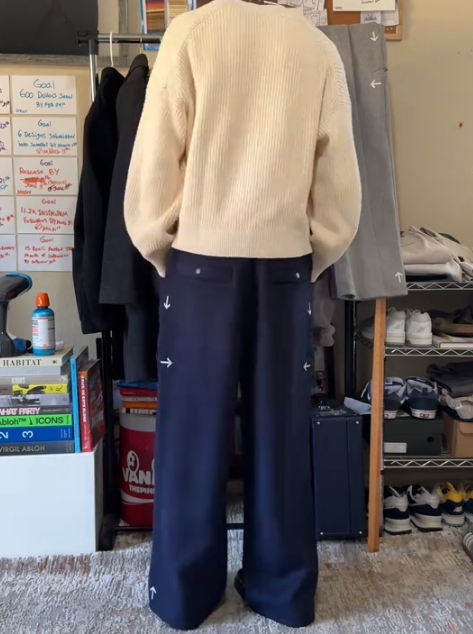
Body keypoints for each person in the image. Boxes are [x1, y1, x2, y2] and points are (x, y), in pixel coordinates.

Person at [124, 0, 361, 629]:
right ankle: (283, 593)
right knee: (281, 433)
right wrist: (307, 255)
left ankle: (183, 596)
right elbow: (338, 182)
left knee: (192, 434)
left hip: (201, 263)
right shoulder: (314, 47)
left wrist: (163, 247)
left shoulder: (190, 33)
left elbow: (155, 162)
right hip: (284, 264)